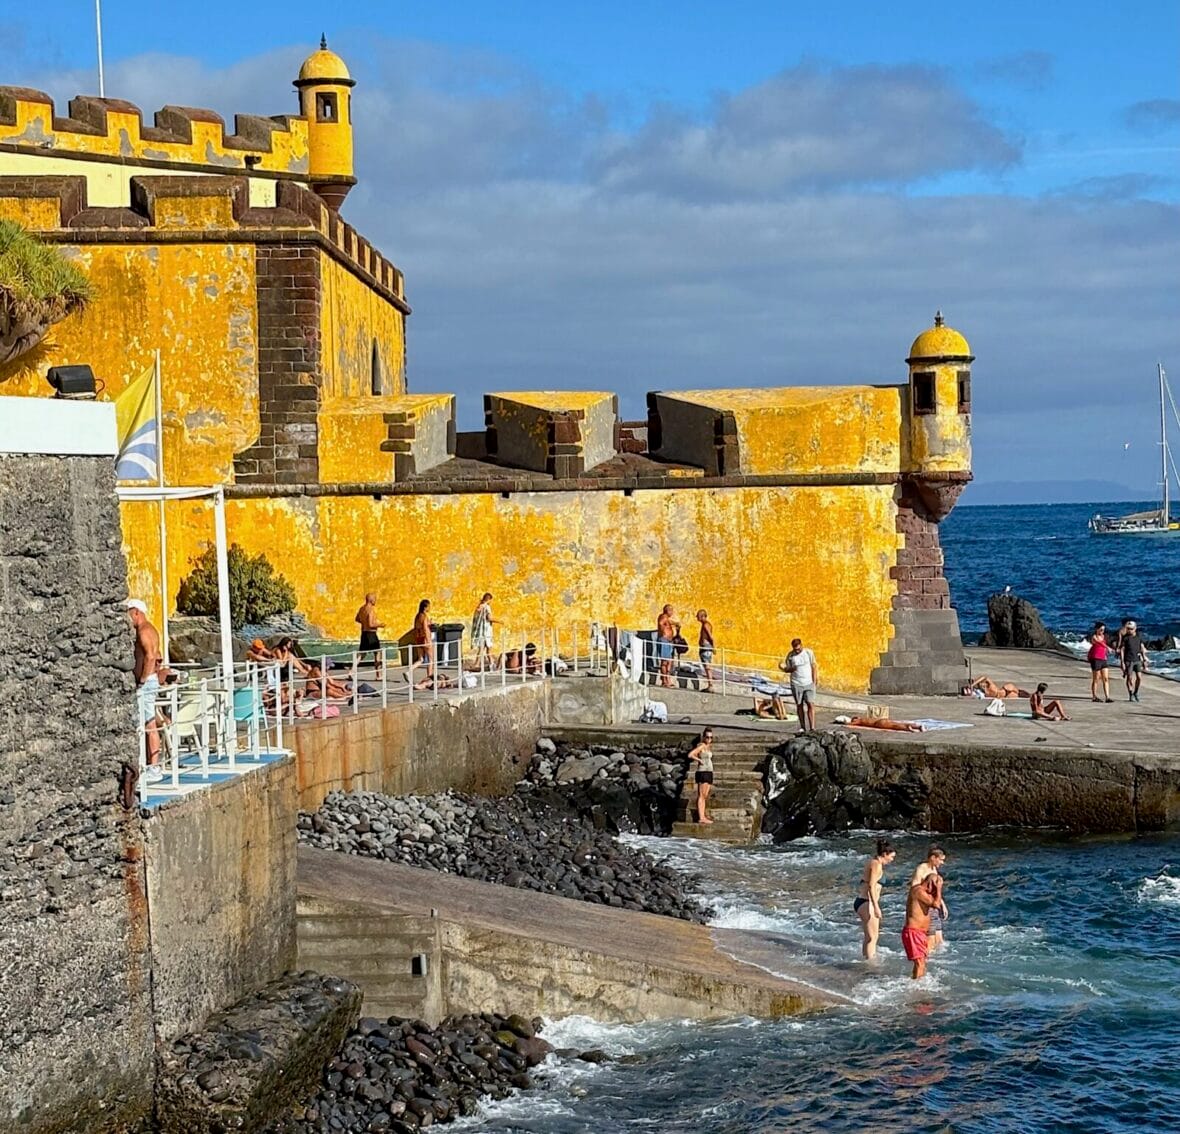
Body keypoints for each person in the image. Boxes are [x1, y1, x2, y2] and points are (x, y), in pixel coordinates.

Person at [127, 599, 163, 782]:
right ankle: (152, 765)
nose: (128, 618)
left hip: (146, 682)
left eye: (128, 613)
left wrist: (142, 680)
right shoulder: (149, 630)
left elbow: (150, 657)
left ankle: (153, 767)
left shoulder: (144, 631)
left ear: (136, 612)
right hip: (150, 681)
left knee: (148, 725)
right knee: (149, 723)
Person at [855, 838, 895, 960]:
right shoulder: (876, 865)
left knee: (869, 936)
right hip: (867, 902)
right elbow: (871, 886)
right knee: (872, 937)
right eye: (891, 857)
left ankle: (866, 959)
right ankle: (870, 962)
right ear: (885, 854)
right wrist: (876, 907)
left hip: (863, 901)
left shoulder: (872, 862)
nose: (892, 860)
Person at [909, 846, 949, 952]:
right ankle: (927, 958)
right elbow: (914, 889)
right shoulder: (922, 868)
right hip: (926, 906)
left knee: (939, 939)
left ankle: (940, 963)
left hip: (934, 904)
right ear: (933, 857)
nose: (942, 863)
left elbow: (936, 890)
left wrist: (942, 905)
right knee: (930, 938)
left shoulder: (933, 869)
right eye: (940, 860)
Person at [902, 874, 940, 979]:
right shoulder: (918, 892)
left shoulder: (923, 893)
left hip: (919, 933)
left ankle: (916, 982)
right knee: (920, 963)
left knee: (921, 962)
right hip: (914, 932)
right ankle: (917, 987)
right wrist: (939, 888)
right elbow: (937, 905)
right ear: (932, 884)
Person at [781, 638, 817, 731]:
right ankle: (803, 727)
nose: (797, 650)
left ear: (801, 645)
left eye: (798, 648)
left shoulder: (809, 653)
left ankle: (812, 727)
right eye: (795, 649)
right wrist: (788, 669)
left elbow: (814, 666)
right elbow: (788, 669)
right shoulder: (790, 656)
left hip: (808, 682)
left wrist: (814, 680)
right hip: (796, 683)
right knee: (799, 704)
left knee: (810, 703)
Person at [686, 728, 715, 824]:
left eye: (711, 737)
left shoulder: (708, 746)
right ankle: (701, 817)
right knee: (701, 795)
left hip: (709, 771)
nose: (709, 739)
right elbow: (690, 755)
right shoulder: (701, 746)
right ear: (703, 737)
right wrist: (699, 760)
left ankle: (703, 815)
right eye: (707, 737)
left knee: (705, 795)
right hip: (703, 772)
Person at [355, 593, 385, 679]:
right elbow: (371, 624)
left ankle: (352, 671)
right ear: (371, 600)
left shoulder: (362, 609)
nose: (376, 600)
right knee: (377, 653)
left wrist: (363, 622)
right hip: (371, 634)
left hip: (364, 633)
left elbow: (357, 619)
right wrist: (380, 625)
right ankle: (378, 675)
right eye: (375, 599)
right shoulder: (371, 610)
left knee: (362, 654)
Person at [1120, 620, 1149, 702]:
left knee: (1139, 678)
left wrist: (1144, 659)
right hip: (1128, 660)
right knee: (1129, 677)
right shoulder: (1125, 638)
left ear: (1135, 628)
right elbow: (1122, 649)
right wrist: (1122, 662)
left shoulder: (1138, 637)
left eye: (1131, 629)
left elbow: (1142, 648)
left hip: (1137, 659)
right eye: (1128, 629)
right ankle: (1130, 693)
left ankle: (1135, 692)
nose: (1129, 630)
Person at [471, 592, 500, 670]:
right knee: (488, 649)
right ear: (489, 599)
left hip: (480, 631)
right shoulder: (487, 607)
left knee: (482, 649)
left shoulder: (479, 607)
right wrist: (500, 621)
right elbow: (489, 618)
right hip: (486, 631)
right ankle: (490, 664)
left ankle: (482, 664)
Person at [1088, 622, 1113, 703]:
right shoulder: (1094, 637)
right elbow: (1099, 643)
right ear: (1097, 629)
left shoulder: (1104, 636)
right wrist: (1107, 647)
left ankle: (1107, 697)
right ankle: (1094, 696)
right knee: (1096, 678)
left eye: (1103, 630)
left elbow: (1104, 644)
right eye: (1101, 629)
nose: (1102, 631)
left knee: (1105, 678)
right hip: (1096, 659)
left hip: (1103, 659)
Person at [411, 599, 435, 682]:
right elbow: (425, 628)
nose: (430, 608)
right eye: (429, 606)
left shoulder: (417, 616)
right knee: (431, 659)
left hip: (418, 638)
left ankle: (409, 670)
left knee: (421, 659)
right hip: (425, 639)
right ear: (425, 607)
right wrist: (428, 640)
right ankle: (430, 677)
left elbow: (416, 628)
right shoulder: (424, 616)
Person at [656, 605, 679, 688]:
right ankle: (665, 681)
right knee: (665, 662)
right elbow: (661, 623)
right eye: (671, 610)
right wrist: (664, 630)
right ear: (667, 610)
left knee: (669, 662)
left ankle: (666, 679)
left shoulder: (667, 619)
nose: (672, 612)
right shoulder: (663, 617)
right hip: (664, 640)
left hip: (669, 641)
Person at [696, 609, 715, 693]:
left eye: (698, 615)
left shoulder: (706, 625)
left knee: (707, 667)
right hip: (706, 648)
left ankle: (710, 685)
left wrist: (713, 647)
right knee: (707, 667)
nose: (697, 617)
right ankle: (710, 685)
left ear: (702, 616)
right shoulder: (706, 624)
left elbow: (711, 637)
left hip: (706, 648)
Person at [963, 675, 1028, 699]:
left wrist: (973, 684)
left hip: (1003, 692)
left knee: (1014, 691)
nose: (981, 685)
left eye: (982, 684)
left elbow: (984, 677)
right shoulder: (983, 691)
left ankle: (1022, 693)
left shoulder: (991, 686)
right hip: (1002, 695)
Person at [843, 716, 925, 733]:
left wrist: (846, 723)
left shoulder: (860, 721)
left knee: (895, 726)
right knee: (896, 724)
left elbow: (850, 724)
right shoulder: (865, 718)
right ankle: (917, 726)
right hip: (881, 720)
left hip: (879, 724)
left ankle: (908, 729)